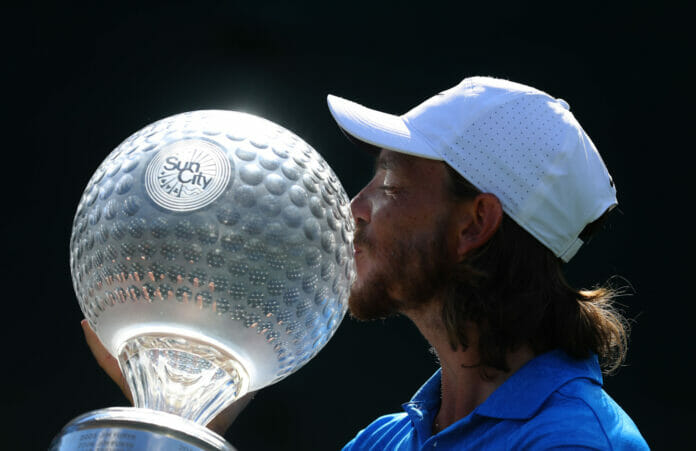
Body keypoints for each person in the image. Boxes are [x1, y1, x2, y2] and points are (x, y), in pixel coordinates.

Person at [83, 76, 648, 449]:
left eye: (392, 184)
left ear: (474, 224)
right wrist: (184, 424)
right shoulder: (386, 439)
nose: (354, 208)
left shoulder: (575, 442)